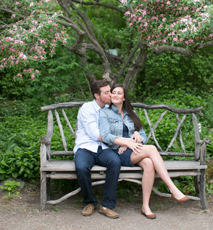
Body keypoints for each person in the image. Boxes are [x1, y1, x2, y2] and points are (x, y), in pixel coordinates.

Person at [98, 84, 189, 219]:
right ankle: (172, 188)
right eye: (113, 92)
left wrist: (136, 137)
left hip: (132, 150)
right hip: (117, 152)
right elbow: (105, 136)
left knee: (148, 163)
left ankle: (145, 206)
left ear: (124, 98)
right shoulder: (104, 113)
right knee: (151, 149)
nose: (115, 95)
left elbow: (143, 136)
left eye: (119, 93)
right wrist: (126, 141)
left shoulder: (131, 114)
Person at [73, 80, 121, 219]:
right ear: (96, 95)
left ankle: (107, 205)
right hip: (85, 147)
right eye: (106, 93)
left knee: (115, 161)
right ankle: (89, 202)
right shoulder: (87, 108)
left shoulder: (110, 109)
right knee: (81, 167)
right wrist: (120, 140)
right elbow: (95, 135)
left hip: (103, 148)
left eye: (110, 91)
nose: (110, 95)